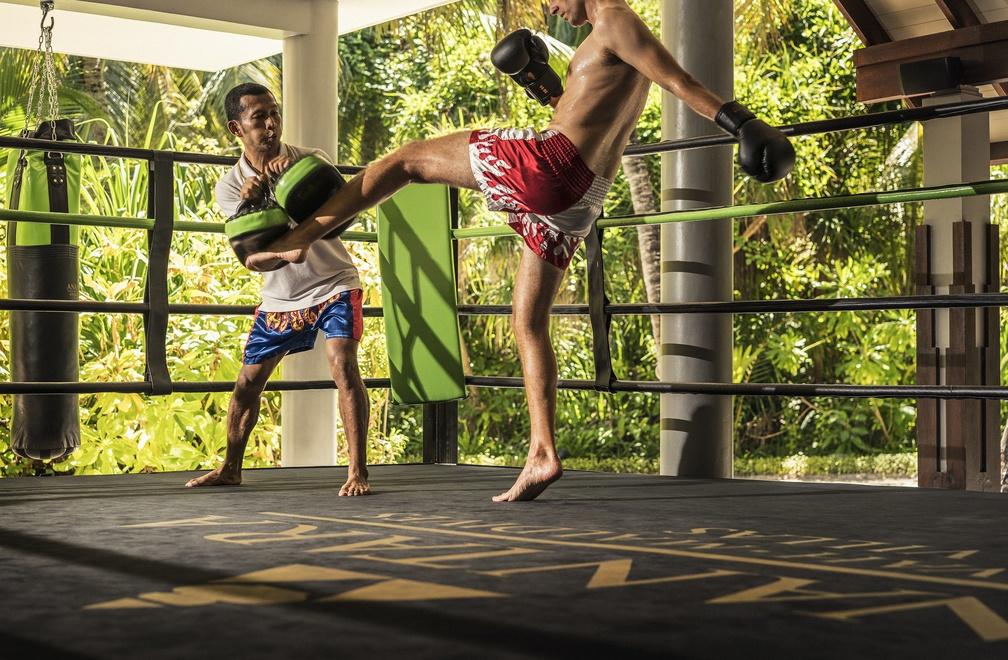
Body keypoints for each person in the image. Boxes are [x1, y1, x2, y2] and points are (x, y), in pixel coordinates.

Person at [245, 0, 795, 501]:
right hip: (584, 194)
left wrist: (743, 125)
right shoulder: (607, 38)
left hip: (553, 167)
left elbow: (678, 79)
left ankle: (297, 241)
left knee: (406, 160)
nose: (551, 7)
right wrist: (544, 85)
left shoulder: (614, 20)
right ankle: (541, 453)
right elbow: (587, 113)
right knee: (527, 319)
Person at [185, 83, 371, 496]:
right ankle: (231, 468)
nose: (271, 125)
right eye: (259, 118)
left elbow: (345, 222)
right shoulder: (231, 187)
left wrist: (295, 185)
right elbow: (251, 256)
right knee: (248, 383)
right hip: (281, 294)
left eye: (274, 114)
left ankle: (357, 471)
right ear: (237, 127)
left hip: (334, 281)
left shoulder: (311, 161)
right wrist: (254, 205)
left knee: (342, 364)